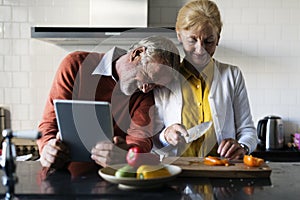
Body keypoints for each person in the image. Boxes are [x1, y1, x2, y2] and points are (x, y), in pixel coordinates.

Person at [37, 35, 180, 172]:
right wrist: (47, 148)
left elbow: (140, 140)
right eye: (148, 77)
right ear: (137, 54)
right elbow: (49, 123)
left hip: (114, 178)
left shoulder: (145, 96)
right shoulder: (76, 65)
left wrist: (126, 155)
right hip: (63, 173)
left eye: (155, 86)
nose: (145, 89)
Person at [153, 0, 258, 159]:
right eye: (192, 40)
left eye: (209, 41)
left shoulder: (232, 75)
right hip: (176, 175)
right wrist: (165, 135)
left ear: (218, 38)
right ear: (179, 35)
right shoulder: (164, 78)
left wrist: (242, 146)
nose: (200, 50)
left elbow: (248, 131)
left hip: (221, 172)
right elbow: (152, 138)